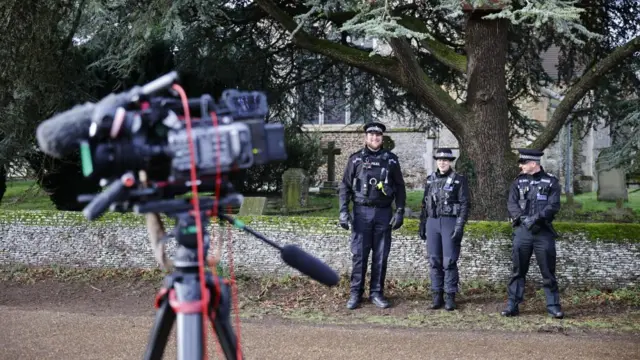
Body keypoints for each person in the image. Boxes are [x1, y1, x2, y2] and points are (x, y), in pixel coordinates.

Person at [338, 121, 407, 309]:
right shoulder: (356, 159)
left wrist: (400, 210)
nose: (374, 138)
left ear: (382, 138)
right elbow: (345, 186)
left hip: (383, 212)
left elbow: (400, 187)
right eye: (371, 135)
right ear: (365, 137)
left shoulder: (391, 160)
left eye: (378, 135)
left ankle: (377, 293)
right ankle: (355, 293)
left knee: (381, 254)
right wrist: (343, 211)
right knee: (359, 254)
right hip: (361, 211)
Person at [501, 148, 564, 319]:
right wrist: (521, 218)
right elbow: (511, 203)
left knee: (548, 271)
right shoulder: (518, 182)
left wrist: (535, 218)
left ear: (533, 164)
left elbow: (553, 206)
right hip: (522, 231)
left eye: (523, 163)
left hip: (543, 232)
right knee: (518, 270)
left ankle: (553, 307)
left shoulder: (551, 182)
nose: (521, 166)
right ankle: (512, 305)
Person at [418, 148, 470, 311]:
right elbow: (424, 203)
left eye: (445, 160)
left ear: (450, 162)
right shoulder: (430, 180)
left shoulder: (459, 180)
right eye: (439, 160)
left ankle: (450, 296)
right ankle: (436, 296)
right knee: (434, 261)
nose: (442, 162)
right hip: (432, 222)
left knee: (449, 261)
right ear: (436, 161)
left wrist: (460, 226)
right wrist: (422, 223)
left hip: (449, 222)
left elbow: (464, 204)